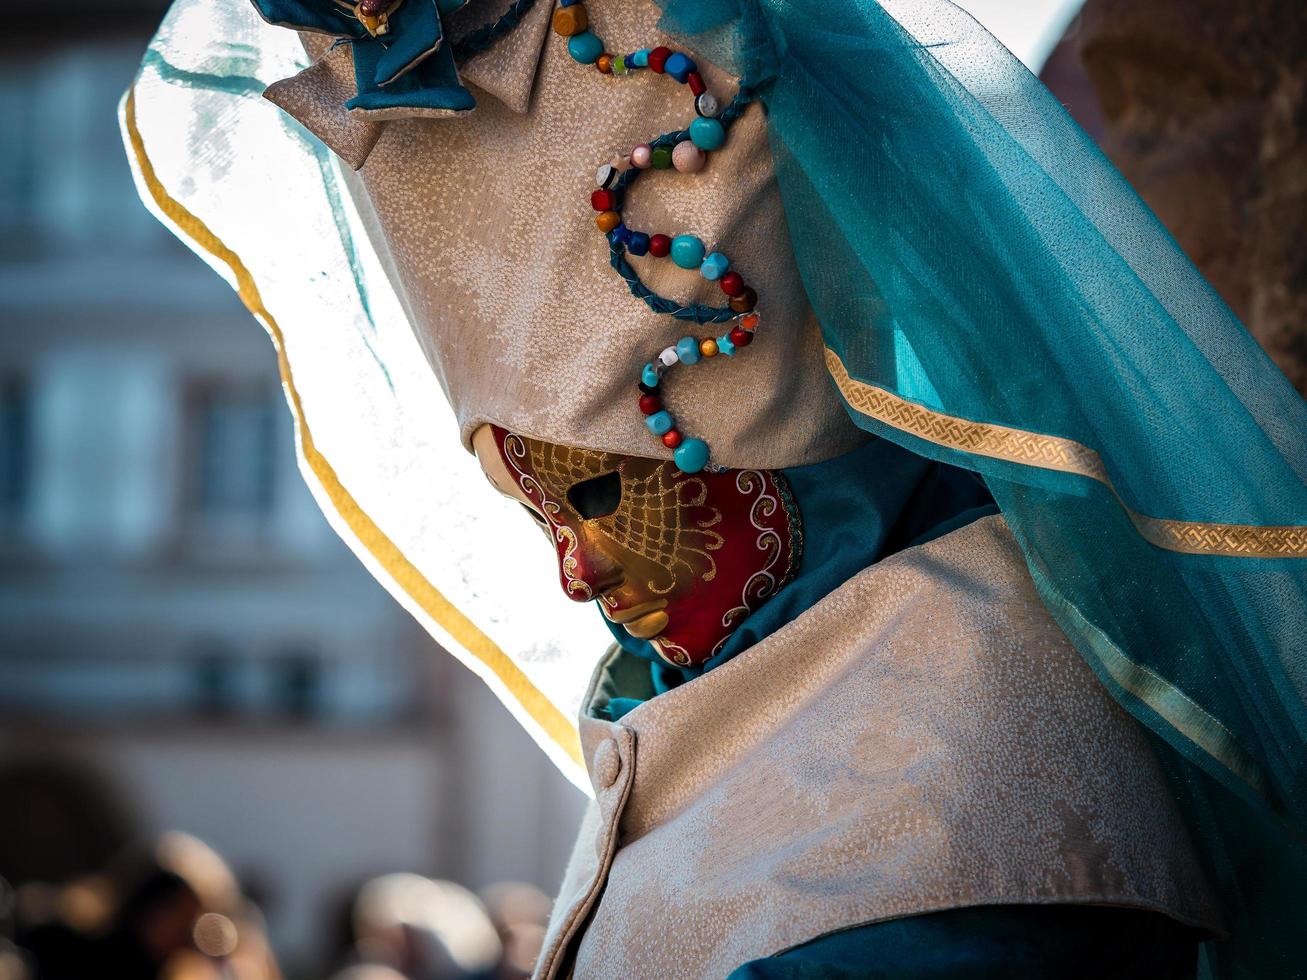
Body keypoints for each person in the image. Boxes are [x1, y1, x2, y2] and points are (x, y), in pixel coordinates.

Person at [123, 0, 1307, 976]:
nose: (573, 573)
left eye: (596, 498)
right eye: (535, 509)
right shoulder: (711, 700)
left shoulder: (957, 820)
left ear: (774, 455)